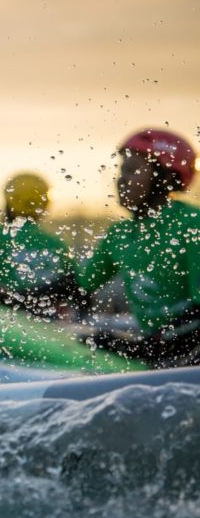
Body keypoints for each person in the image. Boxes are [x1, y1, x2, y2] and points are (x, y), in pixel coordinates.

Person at [77, 128, 200, 367]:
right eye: (122, 170)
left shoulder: (192, 225)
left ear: (164, 177)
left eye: (133, 170)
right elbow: (80, 285)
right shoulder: (119, 235)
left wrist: (145, 346)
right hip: (160, 350)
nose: (121, 179)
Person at [0, 172, 77, 317]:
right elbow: (76, 285)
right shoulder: (57, 242)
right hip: (52, 322)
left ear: (9, 201)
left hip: (11, 319)